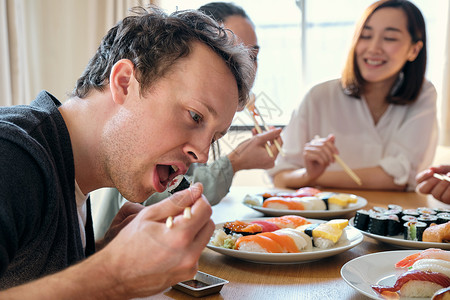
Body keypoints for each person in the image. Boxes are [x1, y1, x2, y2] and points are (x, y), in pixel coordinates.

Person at [0, 6, 254, 298]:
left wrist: (102, 254)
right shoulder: (12, 155)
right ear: (123, 83)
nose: (202, 155)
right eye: (195, 116)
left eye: (214, 138)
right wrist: (112, 274)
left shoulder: (69, 174)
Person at [93, 2, 283, 239]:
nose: (242, 66)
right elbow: (154, 198)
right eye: (232, 49)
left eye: (252, 56)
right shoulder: (38, 164)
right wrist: (236, 162)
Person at [269, 0, 437, 192]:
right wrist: (308, 174)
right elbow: (281, 177)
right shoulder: (319, 96)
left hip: (392, 216)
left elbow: (400, 176)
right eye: (365, 35)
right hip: (323, 218)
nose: (373, 48)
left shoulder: (423, 93)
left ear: (414, 50)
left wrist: (317, 178)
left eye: (389, 38)